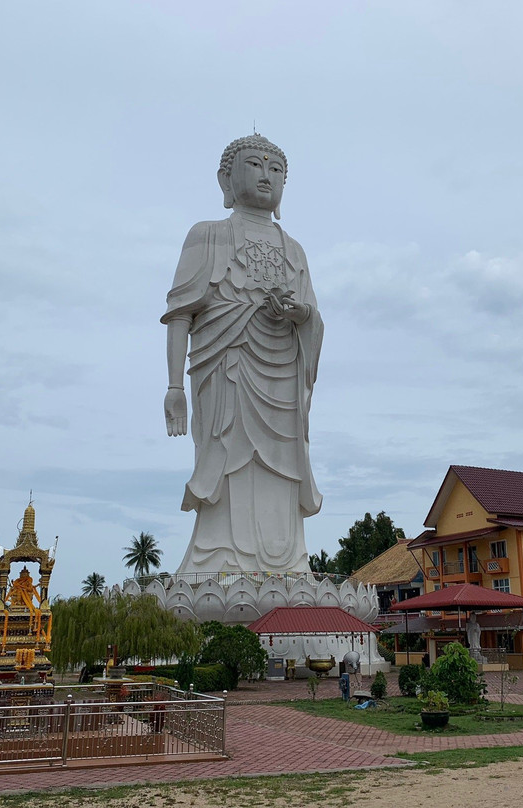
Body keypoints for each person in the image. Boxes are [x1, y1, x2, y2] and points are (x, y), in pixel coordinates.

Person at [163, 135, 323, 574]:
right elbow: (181, 314)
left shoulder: (295, 249)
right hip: (227, 371)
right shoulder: (207, 235)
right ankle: (215, 561)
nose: (266, 175)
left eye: (277, 170)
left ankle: (289, 564)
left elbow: (312, 317)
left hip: (282, 381)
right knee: (227, 461)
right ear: (226, 179)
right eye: (254, 165)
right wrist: (174, 387)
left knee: (282, 470)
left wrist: (300, 313)